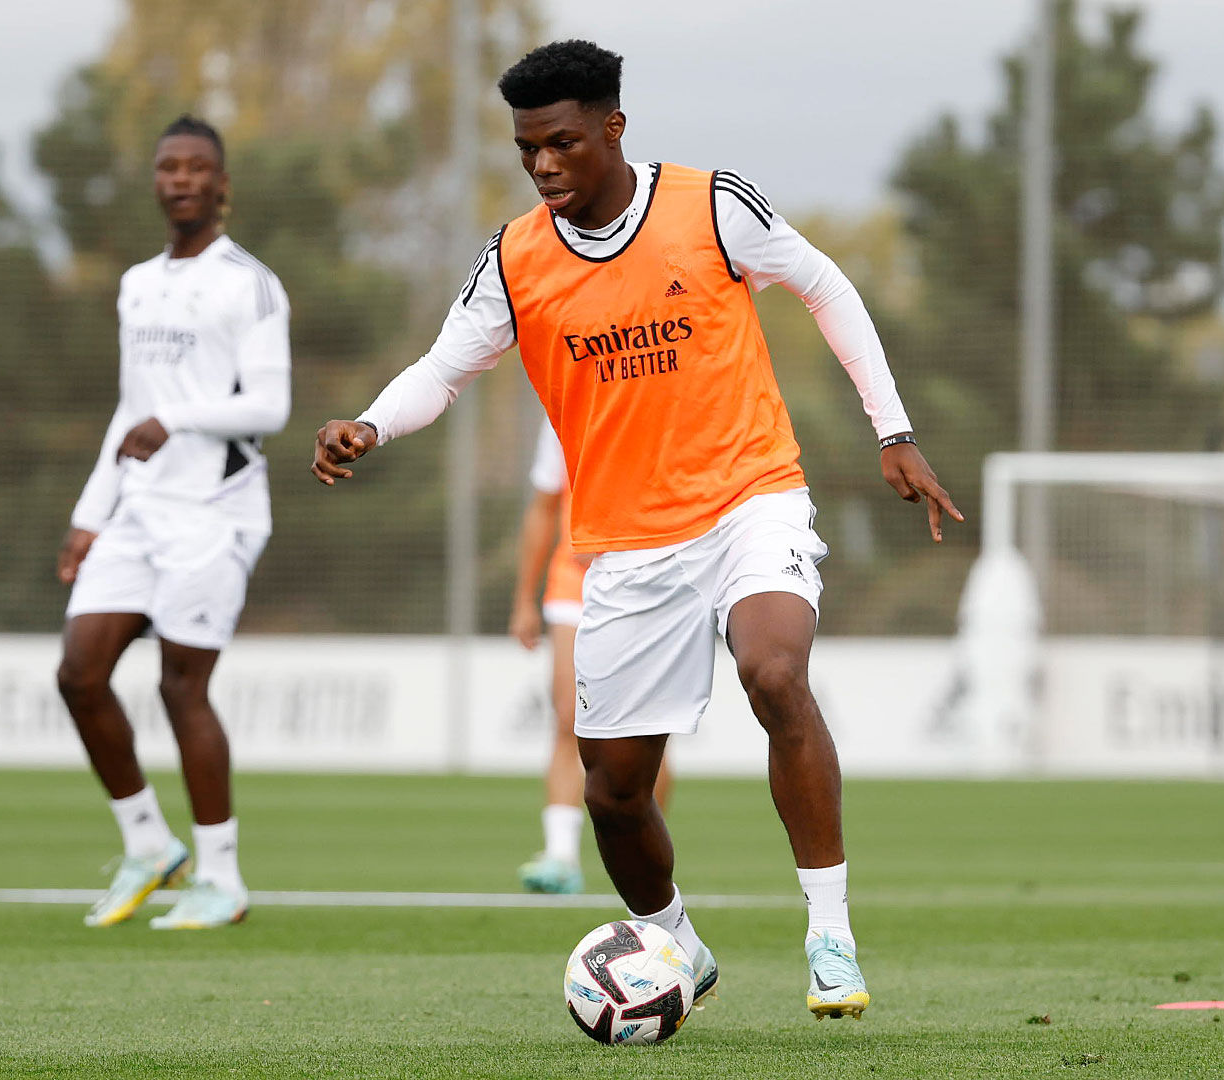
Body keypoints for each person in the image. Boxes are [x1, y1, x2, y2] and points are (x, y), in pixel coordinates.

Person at [314, 40, 961, 1018]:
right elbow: (442, 370)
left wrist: (894, 430)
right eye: (528, 149)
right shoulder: (517, 258)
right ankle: (679, 949)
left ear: (613, 128)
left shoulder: (708, 206)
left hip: (750, 495)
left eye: (563, 143)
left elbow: (827, 285)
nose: (543, 166)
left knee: (775, 672)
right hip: (625, 544)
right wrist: (371, 420)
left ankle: (829, 932)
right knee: (614, 791)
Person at [55, 115, 291, 930]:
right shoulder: (137, 284)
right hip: (139, 510)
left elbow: (272, 403)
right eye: (167, 167)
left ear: (222, 186)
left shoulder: (248, 283)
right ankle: (149, 845)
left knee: (180, 687)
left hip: (213, 515)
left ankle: (222, 877)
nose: (181, 178)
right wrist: (91, 514)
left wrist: (178, 419)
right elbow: (131, 409)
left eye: (197, 167)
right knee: (79, 674)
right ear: (155, 182)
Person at [508, 417, 673, 894]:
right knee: (567, 717)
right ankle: (560, 855)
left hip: (650, 580)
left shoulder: (656, 388)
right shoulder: (557, 410)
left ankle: (645, 854)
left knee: (650, 728)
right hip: (573, 584)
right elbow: (544, 505)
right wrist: (524, 599)